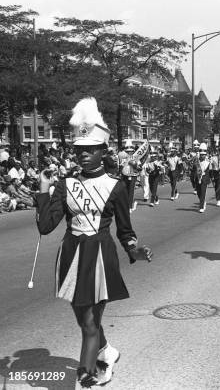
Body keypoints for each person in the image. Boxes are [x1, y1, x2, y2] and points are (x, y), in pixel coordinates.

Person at [34, 98, 152, 388]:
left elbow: (125, 230)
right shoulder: (66, 185)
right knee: (83, 320)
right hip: (71, 256)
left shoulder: (117, 186)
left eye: (90, 150)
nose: (83, 155)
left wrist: (133, 249)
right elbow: (46, 226)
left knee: (88, 323)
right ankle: (107, 353)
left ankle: (83, 377)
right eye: (79, 150)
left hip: (99, 257)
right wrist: (44, 188)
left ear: (102, 151)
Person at [118, 140, 140, 213]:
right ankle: (128, 204)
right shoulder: (123, 158)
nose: (129, 152)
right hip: (125, 176)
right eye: (127, 151)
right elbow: (120, 167)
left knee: (131, 191)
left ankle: (129, 206)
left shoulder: (136, 157)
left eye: (131, 151)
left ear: (133, 151)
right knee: (124, 191)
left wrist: (135, 165)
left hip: (133, 176)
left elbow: (140, 167)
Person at [194, 143, 212, 213]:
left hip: (204, 179)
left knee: (203, 192)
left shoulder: (208, 162)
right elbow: (193, 170)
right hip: (197, 179)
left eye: (204, 155)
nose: (202, 156)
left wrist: (210, 178)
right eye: (201, 155)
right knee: (199, 193)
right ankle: (203, 201)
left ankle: (201, 206)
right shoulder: (196, 162)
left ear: (205, 155)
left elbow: (209, 172)